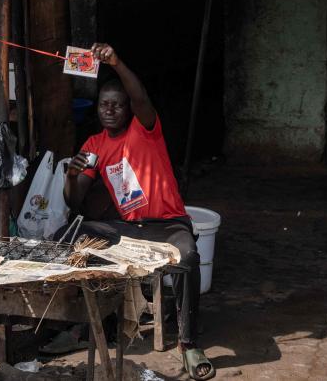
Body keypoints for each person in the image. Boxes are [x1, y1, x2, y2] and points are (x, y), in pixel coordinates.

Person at [54, 43, 215, 380]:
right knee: (67, 239)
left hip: (168, 224)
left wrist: (116, 62)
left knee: (188, 256)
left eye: (117, 105)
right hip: (129, 227)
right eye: (103, 105)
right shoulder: (94, 146)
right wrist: (71, 175)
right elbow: (74, 201)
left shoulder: (145, 129)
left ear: (129, 108)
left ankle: (189, 344)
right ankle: (79, 326)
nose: (109, 110)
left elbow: (140, 96)